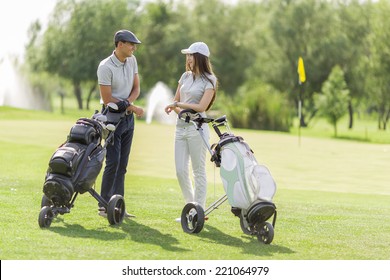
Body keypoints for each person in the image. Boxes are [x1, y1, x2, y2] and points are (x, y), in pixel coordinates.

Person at [165, 42, 218, 220]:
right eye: (187, 55)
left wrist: (179, 106)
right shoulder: (185, 77)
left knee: (198, 171)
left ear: (200, 58)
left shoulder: (210, 80)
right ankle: (191, 207)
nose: (188, 58)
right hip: (181, 128)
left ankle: (198, 212)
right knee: (180, 170)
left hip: (198, 129)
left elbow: (202, 106)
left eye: (191, 55)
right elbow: (176, 102)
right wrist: (180, 110)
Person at [97, 29, 144, 217]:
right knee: (113, 162)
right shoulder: (105, 66)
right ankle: (103, 205)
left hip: (127, 119)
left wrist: (129, 106)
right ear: (119, 44)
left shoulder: (131, 60)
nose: (134, 47)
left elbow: (136, 88)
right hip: (111, 117)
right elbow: (107, 98)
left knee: (122, 164)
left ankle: (118, 206)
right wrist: (132, 107)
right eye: (131, 44)